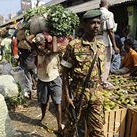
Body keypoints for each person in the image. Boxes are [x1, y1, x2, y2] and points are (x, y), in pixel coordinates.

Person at [62, 9, 105, 137]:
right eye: (92, 23)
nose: (96, 26)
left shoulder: (101, 47)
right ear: (84, 24)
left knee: (97, 131)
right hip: (78, 93)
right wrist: (67, 96)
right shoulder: (74, 46)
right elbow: (64, 73)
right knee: (71, 128)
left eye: (98, 22)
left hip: (96, 93)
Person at [35, 33, 63, 133]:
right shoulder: (38, 52)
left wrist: (53, 33)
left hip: (54, 79)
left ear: (46, 44)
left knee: (57, 103)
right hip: (42, 80)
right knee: (43, 102)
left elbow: (55, 50)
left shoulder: (52, 51)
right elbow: (28, 41)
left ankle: (59, 125)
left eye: (41, 44)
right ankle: (43, 116)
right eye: (37, 44)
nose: (39, 46)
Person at [99, 0, 119, 85]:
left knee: (97, 62)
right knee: (106, 63)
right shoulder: (109, 14)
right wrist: (115, 46)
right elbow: (110, 30)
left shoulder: (95, 13)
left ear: (100, 4)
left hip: (95, 41)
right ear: (109, 5)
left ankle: (96, 80)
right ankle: (103, 82)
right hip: (105, 42)